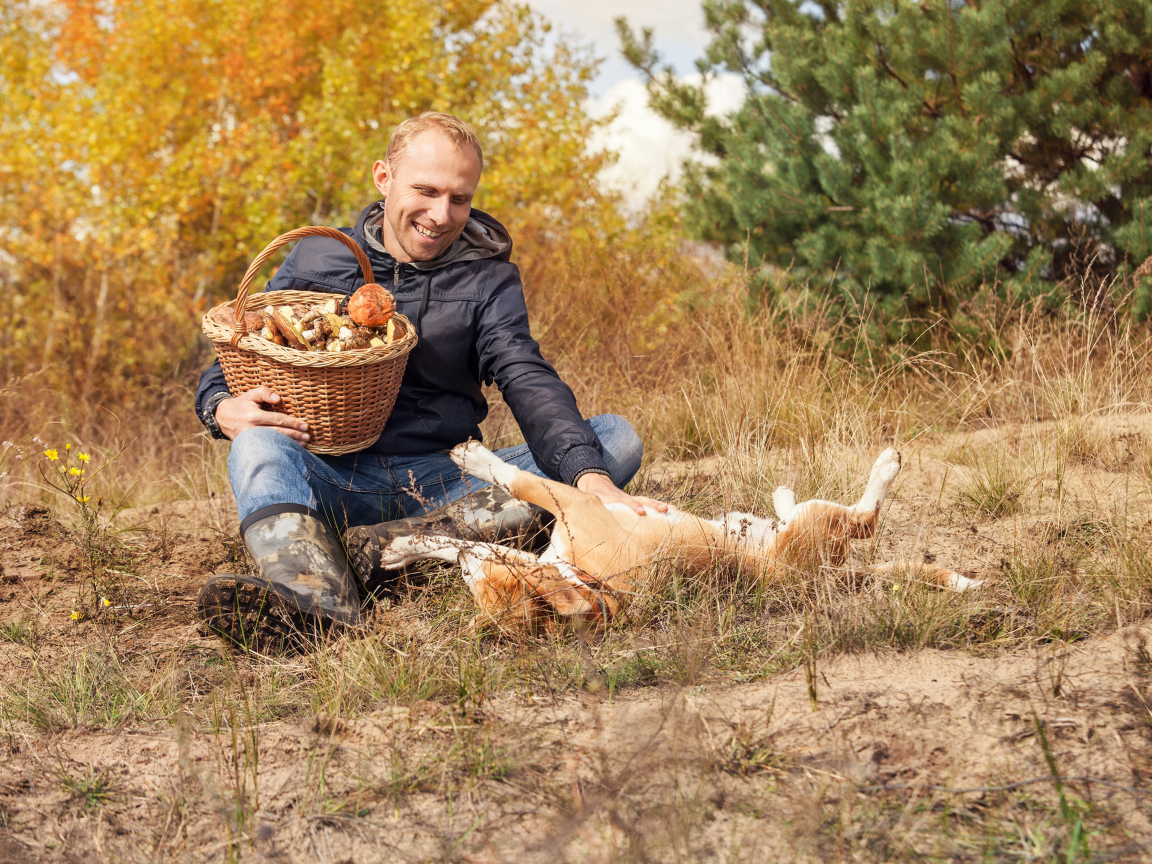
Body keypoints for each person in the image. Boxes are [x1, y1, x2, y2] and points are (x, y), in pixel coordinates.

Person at [193, 111, 665, 648]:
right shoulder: (319, 255)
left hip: (447, 480)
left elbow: (523, 371)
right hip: (330, 477)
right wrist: (219, 406)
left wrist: (589, 477)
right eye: (426, 191)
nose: (441, 215)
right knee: (256, 445)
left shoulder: (488, 277)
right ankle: (317, 602)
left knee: (613, 441)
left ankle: (398, 548)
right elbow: (243, 346)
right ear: (384, 177)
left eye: (460, 198)